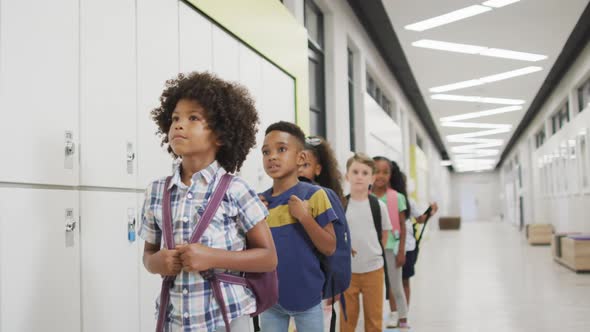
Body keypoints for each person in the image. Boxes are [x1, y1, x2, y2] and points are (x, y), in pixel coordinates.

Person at [139, 72, 277, 332]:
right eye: (175, 118)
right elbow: (148, 255)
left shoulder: (236, 190)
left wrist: (212, 257)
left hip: (228, 318)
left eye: (193, 118)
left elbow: (269, 258)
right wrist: (156, 262)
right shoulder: (157, 191)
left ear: (221, 135)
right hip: (175, 320)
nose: (179, 125)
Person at [259, 121, 338, 332]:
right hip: (271, 300)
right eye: (266, 152)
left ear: (300, 157)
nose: (272, 157)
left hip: (308, 298)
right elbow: (255, 251)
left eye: (281, 149)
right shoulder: (260, 202)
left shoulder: (315, 195)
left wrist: (304, 217)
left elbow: (330, 246)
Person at [298, 136, 347, 330]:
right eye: (297, 163)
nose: (300, 169)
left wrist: (334, 282)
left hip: (317, 280)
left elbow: (334, 243)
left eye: (306, 164)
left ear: (317, 170)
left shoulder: (322, 196)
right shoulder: (281, 195)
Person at [340, 153, 391, 332]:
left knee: (374, 320)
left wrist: (375, 252)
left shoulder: (379, 207)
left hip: (374, 271)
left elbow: (384, 232)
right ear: (347, 176)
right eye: (355, 172)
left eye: (364, 172)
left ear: (372, 178)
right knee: (347, 320)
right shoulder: (341, 205)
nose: (359, 176)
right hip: (348, 273)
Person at [371, 156, 409, 329]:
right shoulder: (366, 197)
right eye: (376, 171)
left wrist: (401, 250)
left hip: (391, 248)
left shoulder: (397, 197)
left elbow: (402, 226)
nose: (380, 176)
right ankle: (377, 315)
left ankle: (400, 316)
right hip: (373, 249)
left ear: (390, 174)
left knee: (395, 285)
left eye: (385, 172)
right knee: (376, 285)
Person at [400, 172, 438, 307]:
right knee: (394, 283)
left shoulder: (408, 201)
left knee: (404, 281)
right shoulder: (384, 199)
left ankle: (403, 315)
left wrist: (431, 212)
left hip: (408, 246)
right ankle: (395, 314)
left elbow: (420, 219)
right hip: (390, 247)